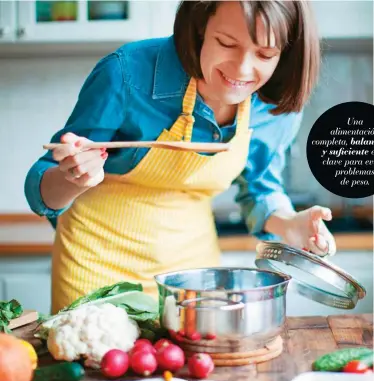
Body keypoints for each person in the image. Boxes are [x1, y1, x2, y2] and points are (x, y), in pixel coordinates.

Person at [25, 1, 336, 314]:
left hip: (191, 280)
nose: (242, 69)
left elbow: (259, 189)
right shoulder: (127, 71)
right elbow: (40, 189)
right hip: (94, 272)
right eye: (227, 43)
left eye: (265, 54)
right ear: (200, 26)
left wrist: (290, 224)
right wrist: (72, 177)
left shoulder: (276, 107)